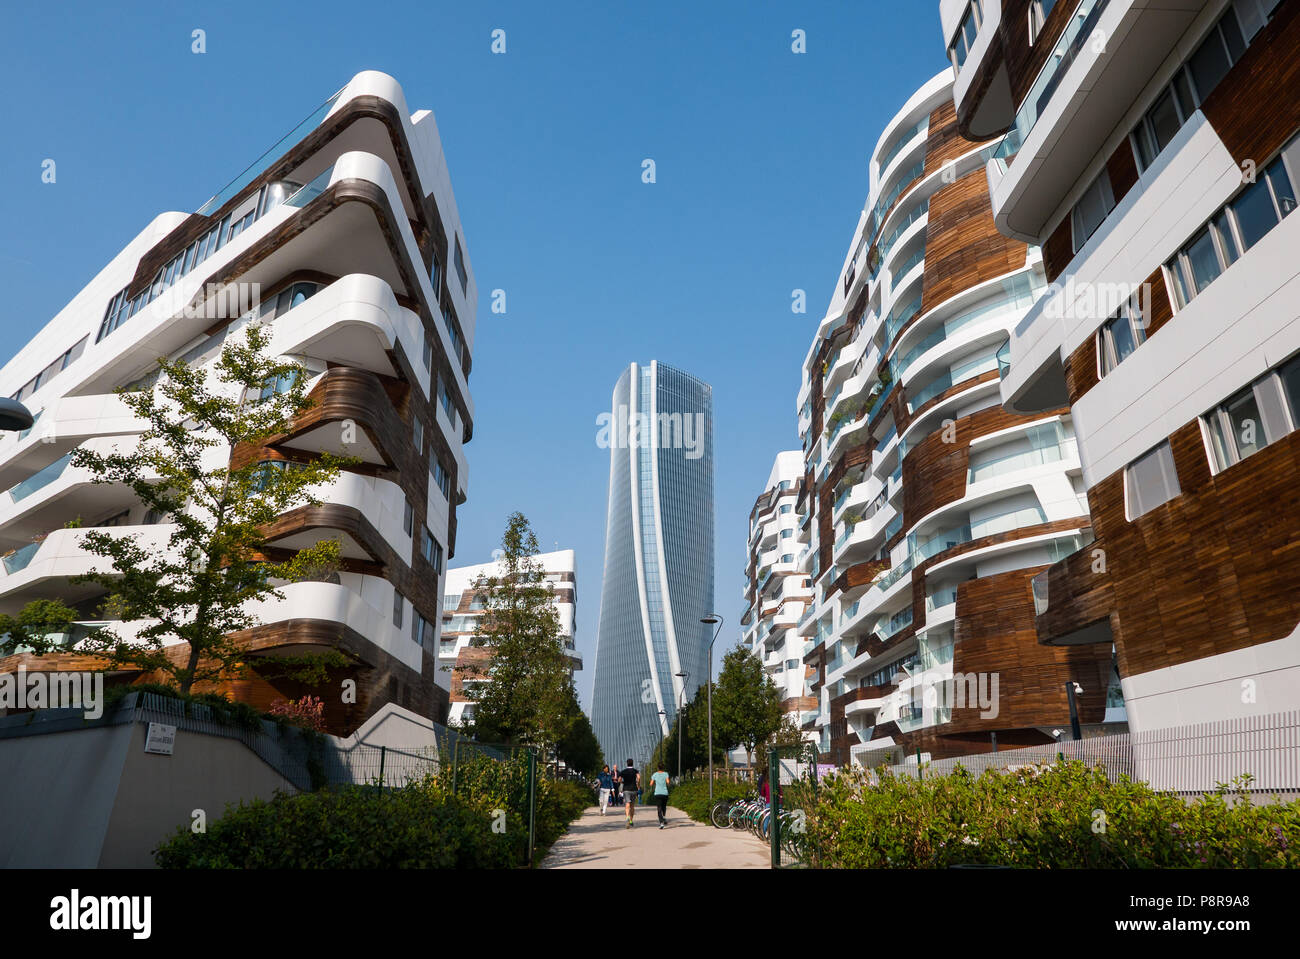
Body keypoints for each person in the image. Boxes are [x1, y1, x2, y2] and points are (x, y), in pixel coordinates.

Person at [619, 758, 640, 828]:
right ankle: (631, 820)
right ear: (633, 763)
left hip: (626, 789)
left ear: (627, 763)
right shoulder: (635, 771)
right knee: (632, 806)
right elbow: (639, 778)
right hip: (634, 789)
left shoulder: (623, 771)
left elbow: (619, 779)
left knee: (627, 804)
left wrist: (622, 782)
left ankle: (627, 817)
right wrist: (638, 784)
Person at [648, 763, 671, 829]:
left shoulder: (655, 774)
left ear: (658, 768)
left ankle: (661, 823)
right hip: (665, 793)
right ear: (663, 768)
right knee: (664, 806)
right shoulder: (666, 774)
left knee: (659, 808)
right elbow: (668, 782)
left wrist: (655, 781)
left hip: (657, 793)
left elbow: (651, 784)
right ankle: (664, 817)